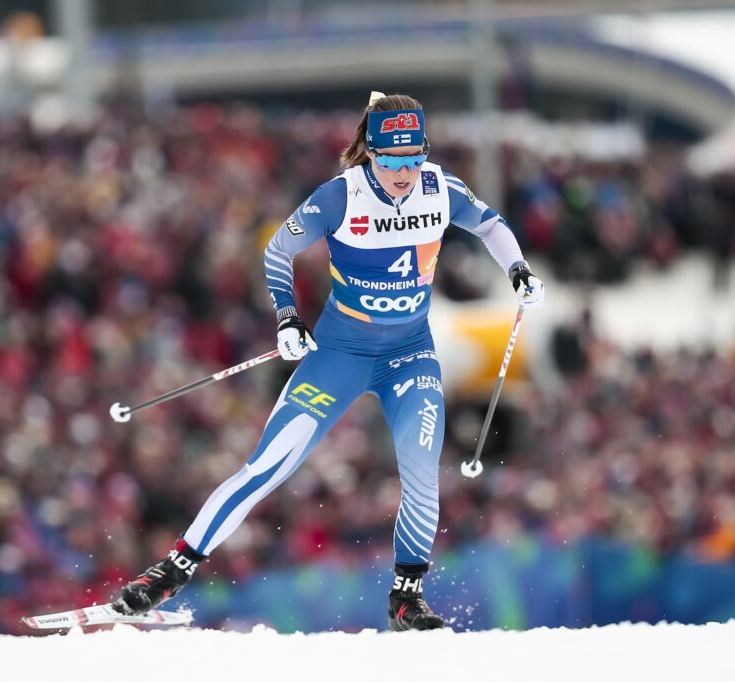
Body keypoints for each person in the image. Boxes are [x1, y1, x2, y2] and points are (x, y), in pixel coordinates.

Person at [112, 92, 545, 631]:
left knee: (421, 471)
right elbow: (278, 249)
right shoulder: (340, 196)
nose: (405, 173)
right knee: (270, 465)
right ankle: (169, 573)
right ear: (370, 153)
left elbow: (491, 225)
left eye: (414, 158)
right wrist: (288, 318)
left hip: (410, 356)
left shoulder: (439, 189)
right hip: (341, 353)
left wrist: (519, 271)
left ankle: (406, 598)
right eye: (391, 160)